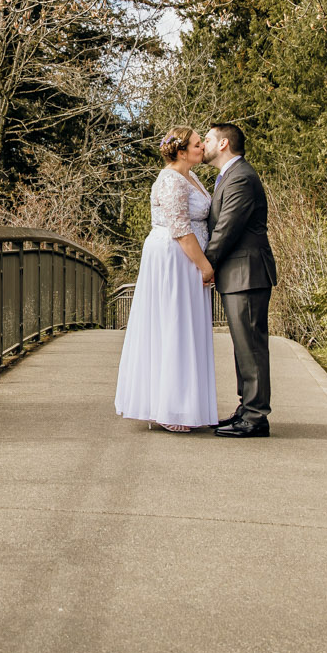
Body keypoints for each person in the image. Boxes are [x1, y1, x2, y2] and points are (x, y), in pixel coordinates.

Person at [113, 126, 218, 432]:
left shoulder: (190, 176)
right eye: (198, 144)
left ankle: (182, 402)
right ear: (182, 151)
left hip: (186, 258)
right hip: (175, 258)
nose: (203, 148)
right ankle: (169, 407)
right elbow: (181, 228)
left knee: (184, 328)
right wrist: (205, 266)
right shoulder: (171, 179)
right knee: (173, 325)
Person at [202, 122, 277, 438]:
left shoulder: (241, 178)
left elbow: (227, 229)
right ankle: (246, 409)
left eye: (207, 139)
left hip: (247, 273)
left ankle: (256, 416)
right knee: (243, 346)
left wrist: (204, 264)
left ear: (223, 144)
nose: (202, 144)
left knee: (251, 346)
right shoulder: (229, 177)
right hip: (239, 274)